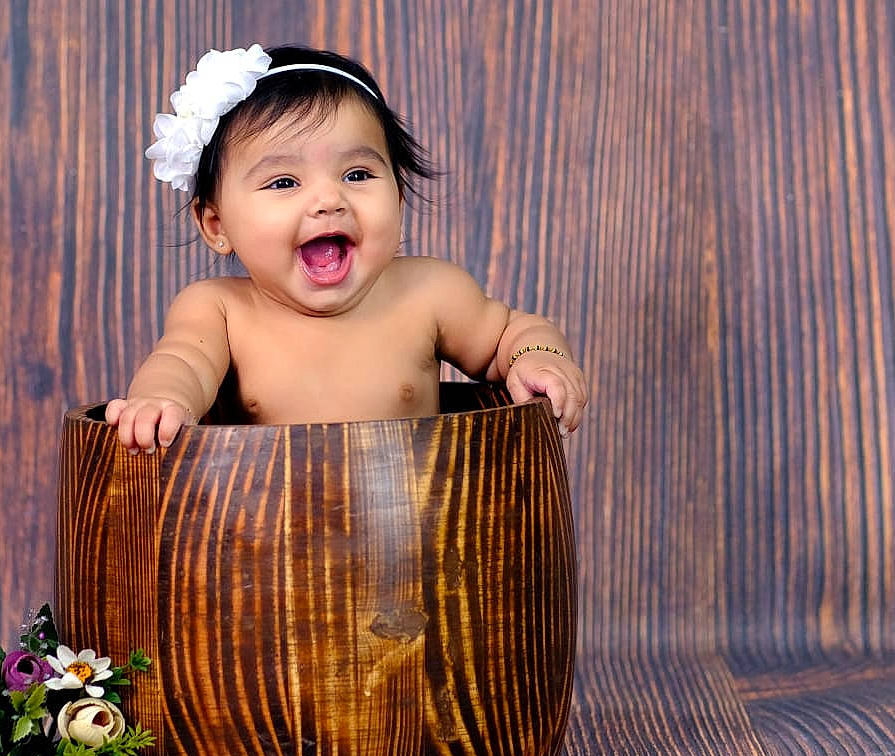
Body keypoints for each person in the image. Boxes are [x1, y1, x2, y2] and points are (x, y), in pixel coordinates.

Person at [105, 43, 587, 453]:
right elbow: (182, 361)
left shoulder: (429, 292)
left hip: (407, 533)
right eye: (284, 182)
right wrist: (163, 401)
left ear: (397, 200)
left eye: (357, 175)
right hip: (263, 540)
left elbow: (509, 332)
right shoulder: (221, 310)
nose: (328, 200)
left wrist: (538, 355)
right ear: (216, 224)